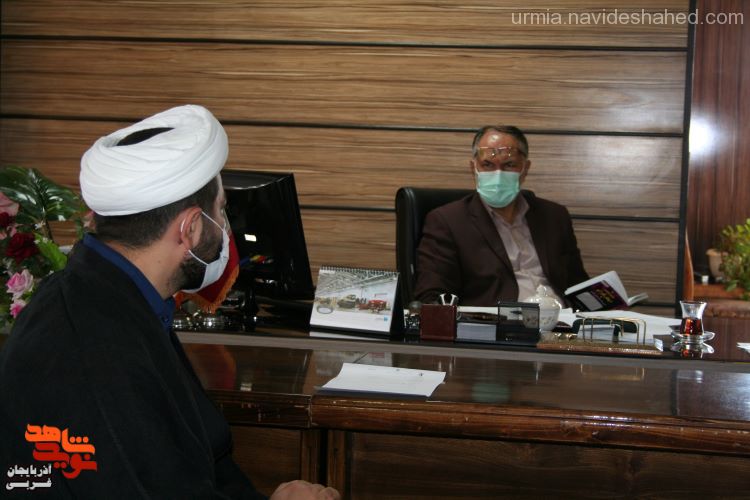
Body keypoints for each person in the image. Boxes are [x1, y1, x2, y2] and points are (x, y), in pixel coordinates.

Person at [0, 105, 339, 499]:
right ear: (190, 228)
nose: (224, 228)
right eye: (221, 211)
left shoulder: (113, 299)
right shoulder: (91, 345)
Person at [414, 125, 589, 306]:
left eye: (509, 165)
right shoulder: (448, 221)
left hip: (561, 319)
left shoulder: (554, 216)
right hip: (496, 320)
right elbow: (432, 297)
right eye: (487, 165)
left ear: (525, 169)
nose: (498, 174)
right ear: (473, 168)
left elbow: (578, 285)